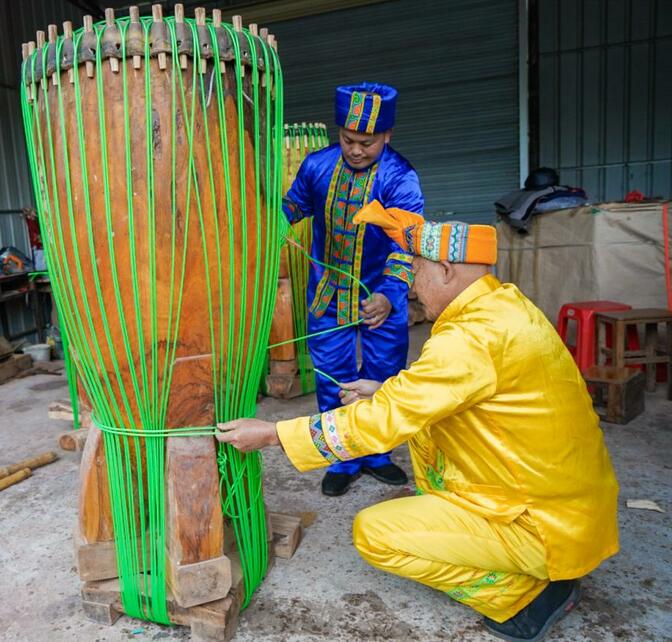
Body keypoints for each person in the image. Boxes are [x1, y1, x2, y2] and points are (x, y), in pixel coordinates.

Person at [217, 203, 619, 641]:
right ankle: (537, 570)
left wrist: (274, 433)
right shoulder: (503, 307)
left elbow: (384, 423)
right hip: (564, 507)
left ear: (446, 270)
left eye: (416, 273)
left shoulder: (471, 337)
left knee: (375, 533)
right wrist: (383, 389)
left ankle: (527, 594)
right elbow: (447, 390)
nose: (409, 288)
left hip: (537, 521)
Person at [282, 82, 423, 496]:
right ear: (337, 131)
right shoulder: (316, 166)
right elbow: (295, 204)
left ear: (387, 137)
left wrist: (389, 295)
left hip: (380, 297)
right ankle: (342, 456)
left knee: (382, 376)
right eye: (347, 140)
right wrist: (278, 218)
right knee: (332, 378)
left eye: (367, 142)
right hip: (327, 292)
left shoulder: (400, 178)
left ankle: (377, 453)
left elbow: (407, 243)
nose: (356, 150)